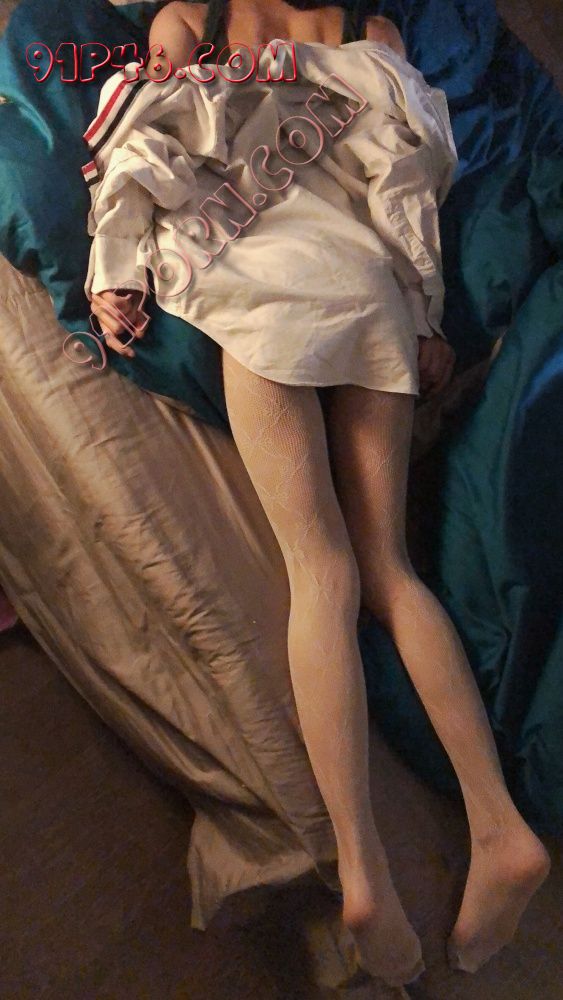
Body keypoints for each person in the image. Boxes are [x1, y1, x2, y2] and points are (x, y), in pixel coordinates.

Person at [87, 0, 551, 988]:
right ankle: (498, 824)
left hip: (260, 282)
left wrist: (112, 270)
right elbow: (409, 173)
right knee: (388, 569)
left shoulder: (195, 15)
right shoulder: (369, 31)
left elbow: (140, 139)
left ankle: (362, 869)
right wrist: (424, 308)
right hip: (363, 285)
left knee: (320, 572)